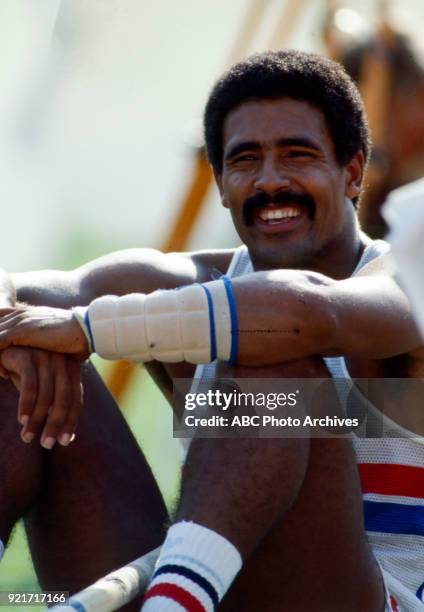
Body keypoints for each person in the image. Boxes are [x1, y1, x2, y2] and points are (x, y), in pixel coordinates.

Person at [0, 49, 423, 611]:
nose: (271, 181)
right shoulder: (189, 281)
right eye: (245, 160)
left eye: (297, 155)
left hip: (363, 597)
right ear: (221, 184)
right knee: (20, 354)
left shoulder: (404, 284)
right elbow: (14, 290)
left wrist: (84, 326)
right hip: (209, 584)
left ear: (352, 172)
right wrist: (24, 333)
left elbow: (305, 316)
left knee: (272, 356)